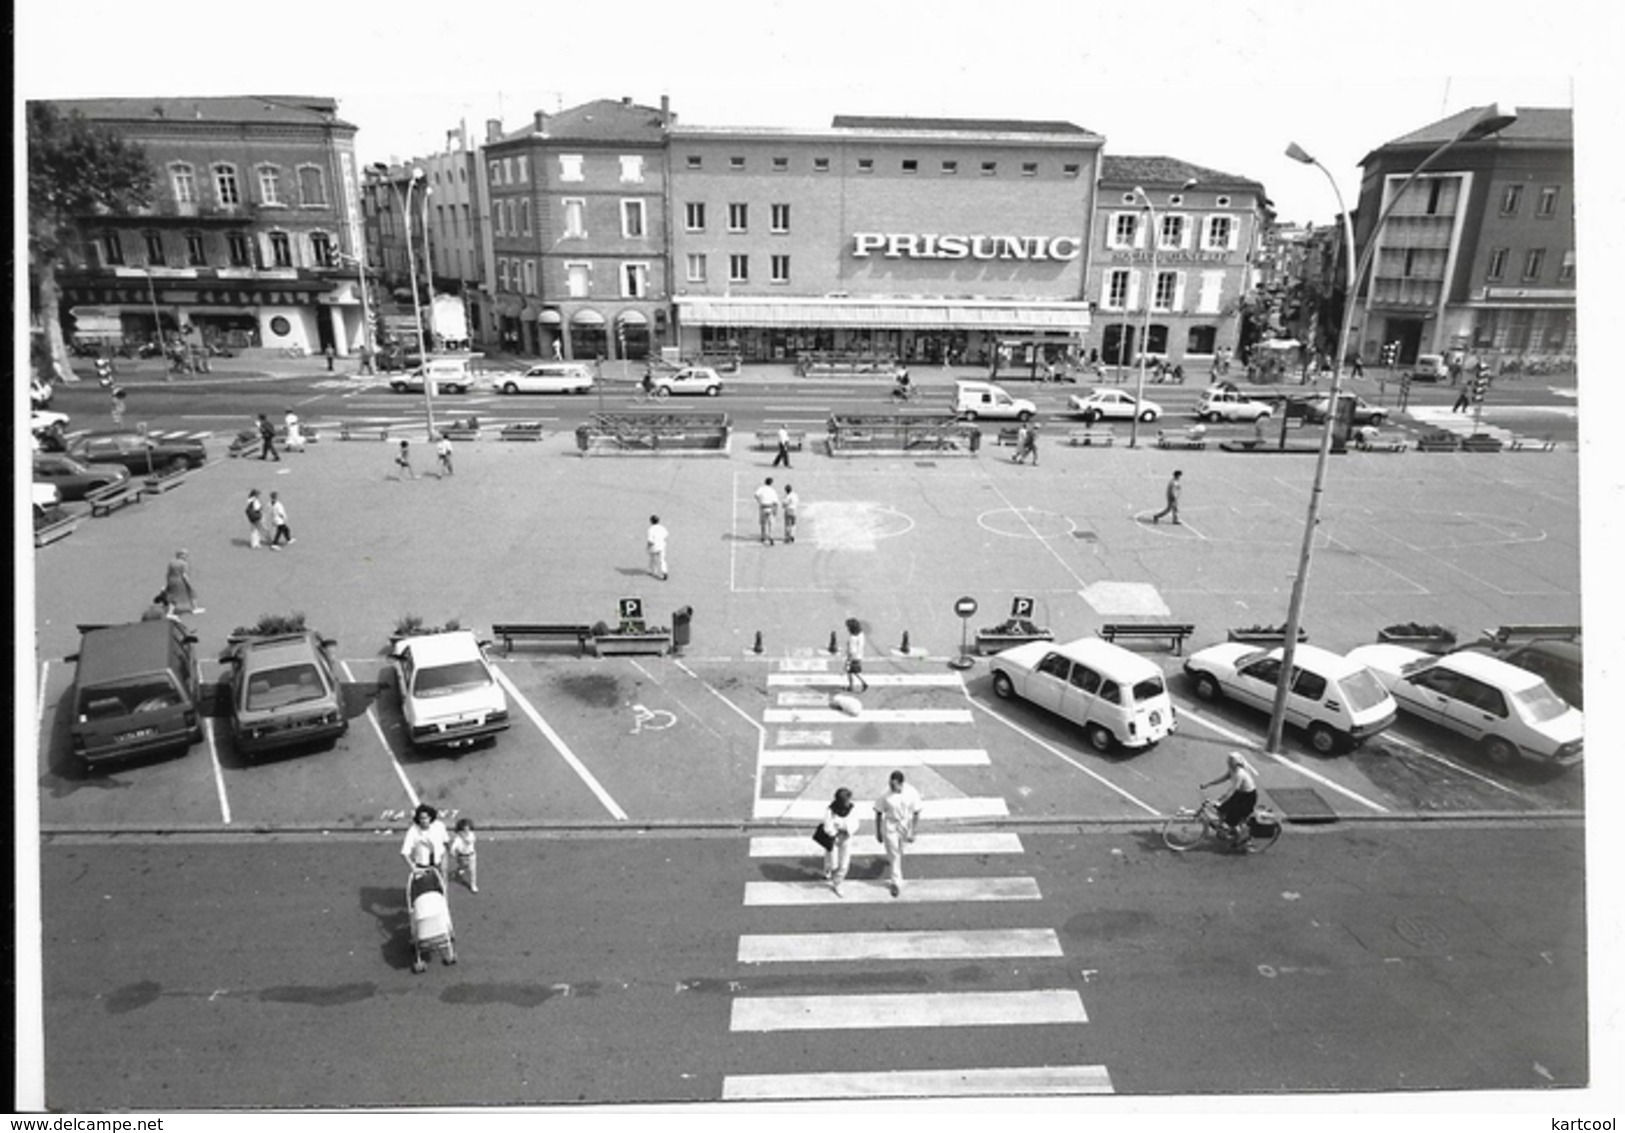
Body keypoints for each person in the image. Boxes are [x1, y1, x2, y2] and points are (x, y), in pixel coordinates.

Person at [873, 771, 923, 896]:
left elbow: (916, 812)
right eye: (890, 784)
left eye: (894, 785)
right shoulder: (885, 795)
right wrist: (878, 831)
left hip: (904, 823)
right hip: (890, 824)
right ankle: (895, 882)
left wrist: (913, 830)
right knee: (894, 853)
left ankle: (894, 861)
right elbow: (878, 812)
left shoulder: (911, 792)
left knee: (900, 850)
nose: (891, 787)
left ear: (901, 783)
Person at [1200, 751, 1260, 845]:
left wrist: (1221, 799)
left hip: (1248, 797)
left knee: (1233, 816)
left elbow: (1233, 790)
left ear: (1236, 763)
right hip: (1240, 794)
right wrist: (1209, 784)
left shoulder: (1240, 774)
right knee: (1222, 809)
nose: (1229, 764)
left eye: (1231, 762)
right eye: (1228, 762)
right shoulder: (1232, 770)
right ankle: (1227, 828)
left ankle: (1239, 836)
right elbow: (1223, 778)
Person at [819, 788, 860, 896]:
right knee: (833, 863)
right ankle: (828, 868)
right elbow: (827, 826)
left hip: (846, 837)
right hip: (834, 838)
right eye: (846, 800)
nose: (848, 802)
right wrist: (834, 833)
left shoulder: (852, 809)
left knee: (844, 864)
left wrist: (846, 828)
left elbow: (856, 823)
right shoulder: (830, 810)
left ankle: (837, 883)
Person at [400, 803, 450, 871]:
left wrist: (445, 863)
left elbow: (446, 843)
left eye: (426, 818)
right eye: (421, 818)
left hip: (438, 867)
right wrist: (413, 868)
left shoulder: (439, 826)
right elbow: (405, 852)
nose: (424, 821)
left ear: (430, 817)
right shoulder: (413, 831)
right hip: (422, 868)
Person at [164, 549, 202, 614]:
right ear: (180, 555)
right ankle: (170, 613)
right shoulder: (184, 564)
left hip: (171, 580)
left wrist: (168, 581)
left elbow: (168, 573)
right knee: (182, 595)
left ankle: (195, 608)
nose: (186, 556)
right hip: (180, 581)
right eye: (185, 555)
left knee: (173, 595)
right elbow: (184, 575)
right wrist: (189, 583)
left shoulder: (171, 563)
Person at [449, 818, 478, 893]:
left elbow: (470, 841)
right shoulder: (457, 839)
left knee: (472, 871)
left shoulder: (471, 835)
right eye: (464, 830)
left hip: (471, 856)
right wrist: (452, 852)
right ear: (459, 831)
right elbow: (453, 847)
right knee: (462, 865)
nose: (466, 832)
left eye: (468, 830)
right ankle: (460, 869)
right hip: (461, 856)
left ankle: (473, 885)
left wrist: (465, 838)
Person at [843, 616, 868, 693]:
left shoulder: (852, 638)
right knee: (854, 671)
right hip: (859, 655)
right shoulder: (861, 634)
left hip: (854, 657)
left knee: (850, 671)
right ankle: (858, 684)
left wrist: (848, 660)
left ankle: (852, 686)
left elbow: (852, 651)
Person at [754, 477, 780, 545]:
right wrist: (775, 510)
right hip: (770, 507)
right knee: (771, 523)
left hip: (763, 507)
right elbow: (776, 502)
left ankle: (763, 536)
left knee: (763, 523)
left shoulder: (761, 489)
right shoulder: (772, 490)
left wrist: (759, 500)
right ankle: (771, 536)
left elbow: (756, 495)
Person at [646, 514, 669, 580]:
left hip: (654, 547)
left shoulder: (650, 529)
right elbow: (666, 536)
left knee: (652, 559)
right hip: (662, 546)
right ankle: (664, 572)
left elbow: (650, 541)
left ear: (651, 521)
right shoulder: (662, 528)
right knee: (662, 560)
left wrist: (648, 547)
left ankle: (652, 571)